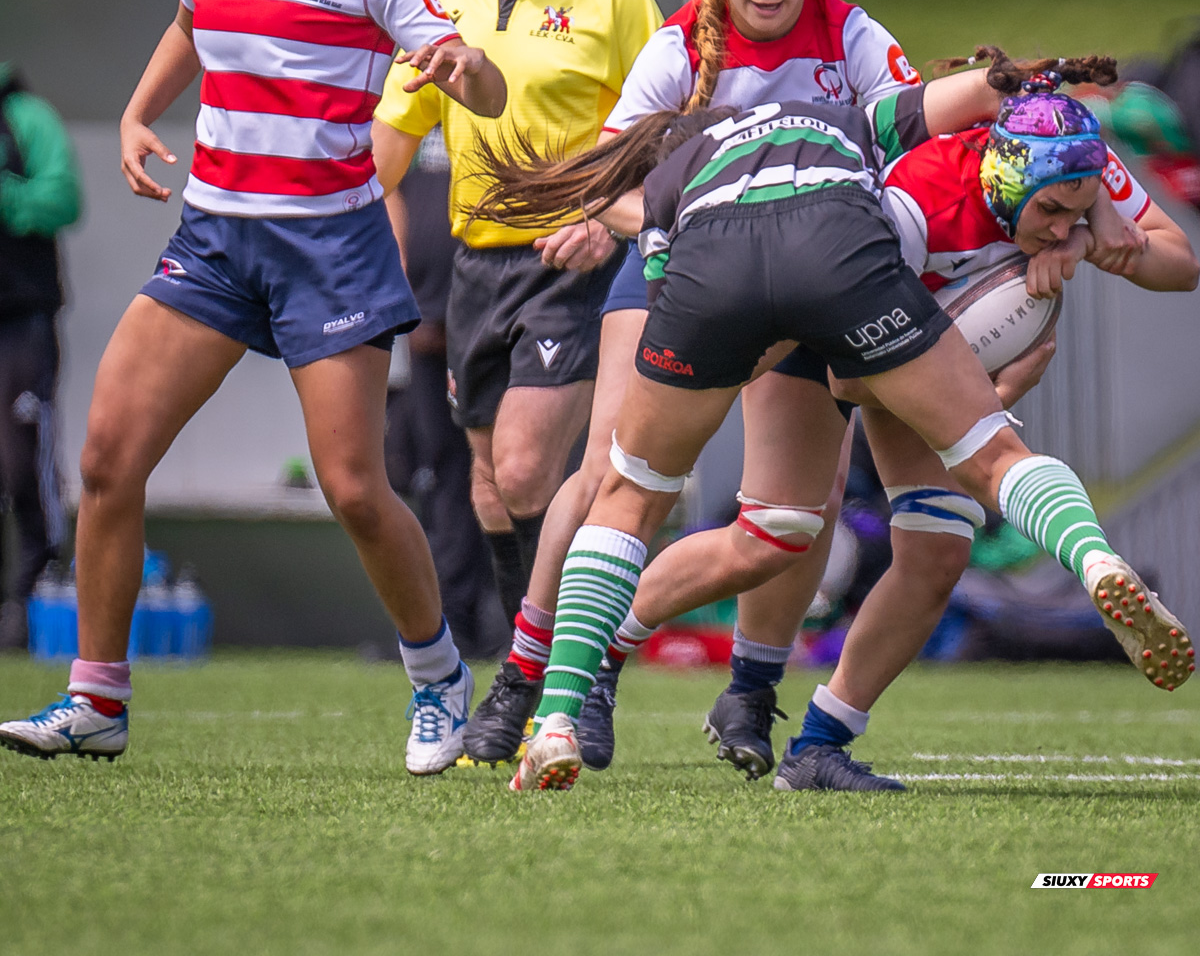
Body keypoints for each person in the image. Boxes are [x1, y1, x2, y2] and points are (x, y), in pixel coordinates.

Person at [483, 84, 1192, 792]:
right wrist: (980, 379)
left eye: (1081, 207)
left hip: (830, 294)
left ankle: (803, 741)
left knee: (929, 545)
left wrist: (1090, 243)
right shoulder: (912, 191)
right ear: (1007, 179)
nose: (1066, 220)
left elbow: (1179, 261)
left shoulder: (1075, 165)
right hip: (844, 308)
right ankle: (612, 645)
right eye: (1052, 212)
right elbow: (853, 376)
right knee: (797, 521)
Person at [462, 0, 1010, 766]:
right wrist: (671, 234)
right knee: (607, 471)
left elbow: (911, 144)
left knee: (805, 507)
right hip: (683, 269)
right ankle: (535, 674)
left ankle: (750, 693)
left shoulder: (853, 37)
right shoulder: (680, 47)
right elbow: (609, 189)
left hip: (807, 276)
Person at [0, 0, 506, 772]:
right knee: (108, 459)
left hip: (334, 248)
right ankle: (96, 699)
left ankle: (439, 675)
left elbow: (476, 79)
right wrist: (144, 113)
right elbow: (193, 25)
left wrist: (463, 70)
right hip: (218, 242)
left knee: (356, 488)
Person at [372, 0, 661, 745]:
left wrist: (601, 218)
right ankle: (545, 682)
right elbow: (391, 138)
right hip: (474, 266)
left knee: (535, 467)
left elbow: (666, 132)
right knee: (491, 487)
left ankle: (573, 679)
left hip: (576, 261)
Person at [384, 116, 503, 659]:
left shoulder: (503, 77)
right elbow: (386, 184)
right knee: (439, 469)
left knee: (502, 471)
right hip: (427, 316)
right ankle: (448, 621)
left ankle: (502, 621)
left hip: (497, 310)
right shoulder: (410, 86)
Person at [0, 65, 83, 651]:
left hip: (22, 318)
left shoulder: (27, 116)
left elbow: (62, 198)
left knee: (24, 459)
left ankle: (35, 596)